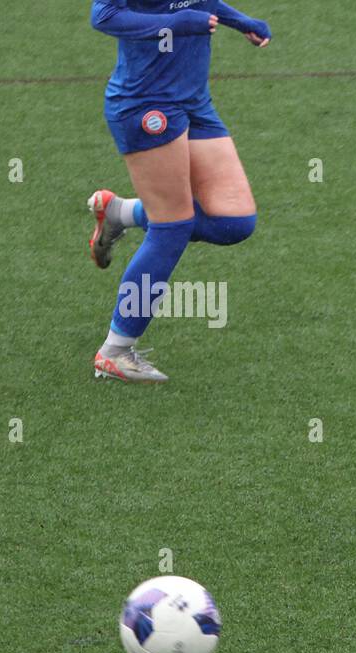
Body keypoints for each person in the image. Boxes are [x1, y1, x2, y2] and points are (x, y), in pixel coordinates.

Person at [85, 0, 272, 382]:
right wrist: (176, 24)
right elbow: (103, 16)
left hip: (192, 98)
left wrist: (240, 21)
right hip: (146, 103)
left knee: (234, 221)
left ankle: (121, 213)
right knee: (173, 226)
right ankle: (115, 351)